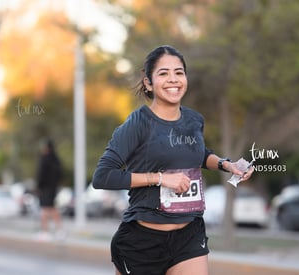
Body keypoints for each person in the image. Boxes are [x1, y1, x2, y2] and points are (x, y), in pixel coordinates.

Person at [92, 45, 254, 275]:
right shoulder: (138, 123)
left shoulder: (194, 120)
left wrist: (227, 164)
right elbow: (103, 176)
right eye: (163, 73)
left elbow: (199, 153)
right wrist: (160, 179)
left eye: (179, 72)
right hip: (143, 241)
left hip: (189, 235)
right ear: (148, 83)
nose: (173, 79)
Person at [36, 139, 63, 240]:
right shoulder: (56, 159)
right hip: (53, 188)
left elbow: (41, 174)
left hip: (45, 188)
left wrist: (39, 186)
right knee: (52, 208)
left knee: (44, 209)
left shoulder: (45, 159)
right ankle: (59, 230)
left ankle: (45, 232)